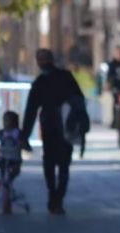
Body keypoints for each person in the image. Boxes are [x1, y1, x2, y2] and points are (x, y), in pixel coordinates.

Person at [22, 49, 84, 215]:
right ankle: (55, 198)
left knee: (58, 163)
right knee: (55, 163)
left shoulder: (55, 79)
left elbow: (79, 100)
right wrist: (24, 136)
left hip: (60, 127)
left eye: (43, 59)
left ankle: (56, 198)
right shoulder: (47, 81)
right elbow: (31, 111)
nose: (41, 62)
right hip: (55, 127)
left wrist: (24, 136)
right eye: (40, 59)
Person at [0, 110, 29, 196]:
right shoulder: (1, 132)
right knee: (3, 172)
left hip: (15, 158)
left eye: (8, 120)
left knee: (15, 171)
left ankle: (7, 183)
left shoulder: (19, 133)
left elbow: (25, 142)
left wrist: (26, 147)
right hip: (3, 158)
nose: (5, 123)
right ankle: (4, 186)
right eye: (4, 120)